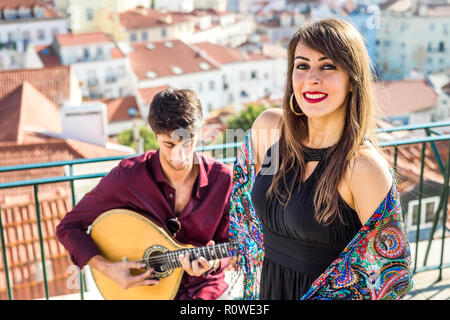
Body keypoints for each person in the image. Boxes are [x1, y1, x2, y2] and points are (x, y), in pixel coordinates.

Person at [228, 18, 413, 300]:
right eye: (302, 66)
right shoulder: (270, 132)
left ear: (352, 81)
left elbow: (392, 278)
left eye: (328, 66)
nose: (312, 77)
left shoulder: (362, 168)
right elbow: (245, 205)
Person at [56, 88, 233, 300]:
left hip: (206, 291)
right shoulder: (128, 177)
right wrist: (107, 268)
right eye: (169, 144)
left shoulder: (222, 179)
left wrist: (212, 263)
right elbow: (69, 227)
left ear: (201, 130)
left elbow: (233, 245)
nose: (180, 155)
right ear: (154, 134)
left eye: (188, 142)